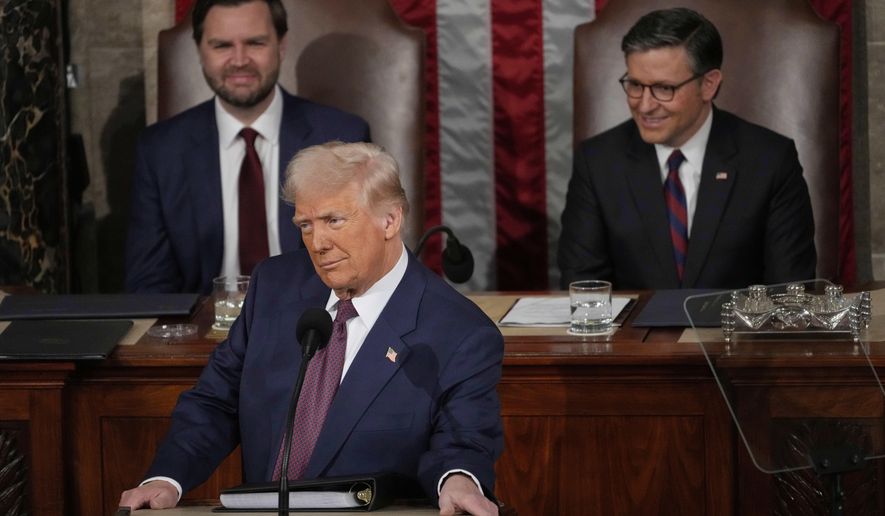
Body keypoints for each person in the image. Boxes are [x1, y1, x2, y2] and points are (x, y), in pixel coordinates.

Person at [119, 142, 504, 516]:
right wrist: (167, 478)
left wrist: (458, 479)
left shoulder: (459, 332)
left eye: (334, 221)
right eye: (305, 224)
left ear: (390, 219)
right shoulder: (275, 286)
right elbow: (217, 401)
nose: (317, 243)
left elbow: (463, 440)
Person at [558, 7, 816, 290]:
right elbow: (583, 288)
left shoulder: (770, 160)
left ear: (708, 84)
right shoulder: (598, 162)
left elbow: (792, 292)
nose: (644, 105)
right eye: (635, 85)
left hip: (734, 333)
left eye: (663, 88)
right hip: (633, 334)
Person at [125, 0, 370, 294]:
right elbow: (149, 287)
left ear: (281, 46)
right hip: (203, 331)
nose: (239, 60)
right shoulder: (160, 150)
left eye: (255, 43)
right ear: (200, 52)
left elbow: (360, 264)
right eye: (222, 46)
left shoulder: (341, 136)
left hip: (313, 324)